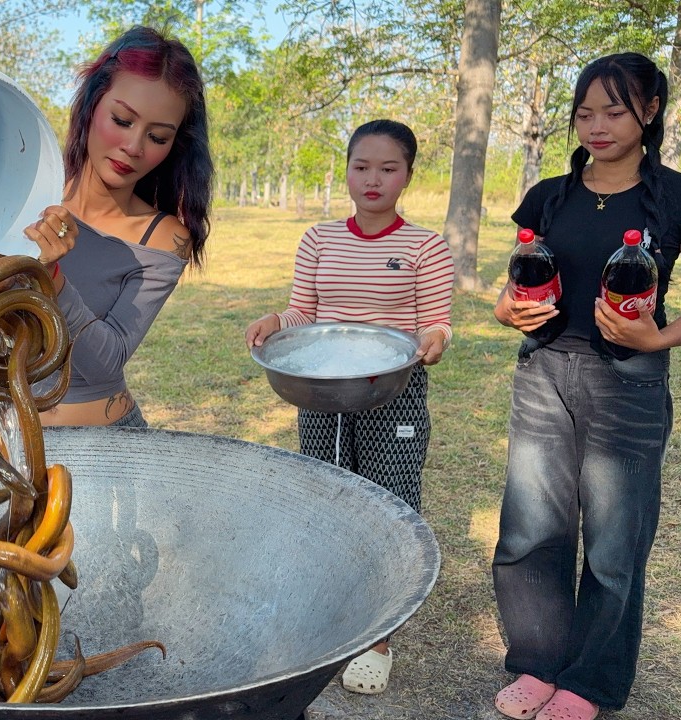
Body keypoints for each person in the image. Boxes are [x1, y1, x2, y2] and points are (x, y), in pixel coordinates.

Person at [490, 53, 681, 720]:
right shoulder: (548, 196)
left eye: (614, 110)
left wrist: (656, 338)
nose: (596, 125)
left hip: (630, 382)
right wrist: (506, 310)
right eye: (585, 111)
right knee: (530, 530)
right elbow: (518, 283)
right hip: (543, 374)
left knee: (616, 542)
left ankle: (591, 681)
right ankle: (537, 662)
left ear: (649, 112)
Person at [244, 119, 454, 696]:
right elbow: (302, 312)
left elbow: (435, 322)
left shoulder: (425, 246)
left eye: (388, 168)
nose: (373, 179)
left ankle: (378, 637)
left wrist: (436, 341)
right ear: (347, 170)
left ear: (408, 174)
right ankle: (330, 611)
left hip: (394, 388)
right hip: (322, 385)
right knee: (326, 492)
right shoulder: (318, 239)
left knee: (391, 497)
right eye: (362, 166)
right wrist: (274, 321)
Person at [30, 25, 213, 428]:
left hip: (110, 446)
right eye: (122, 120)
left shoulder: (165, 237)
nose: (134, 147)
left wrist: (51, 277)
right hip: (9, 441)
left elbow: (105, 362)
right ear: (92, 105)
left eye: (158, 136)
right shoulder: (23, 195)